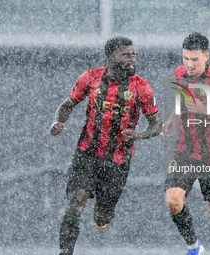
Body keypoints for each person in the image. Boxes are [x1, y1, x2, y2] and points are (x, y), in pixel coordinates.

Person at [50, 37, 162, 255]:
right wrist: (58, 122)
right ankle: (65, 251)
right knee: (76, 202)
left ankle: (103, 213)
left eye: (133, 55)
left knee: (103, 215)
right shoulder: (90, 78)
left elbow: (156, 123)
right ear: (111, 57)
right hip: (87, 153)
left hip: (118, 160)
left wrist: (139, 135)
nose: (132, 60)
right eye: (126, 55)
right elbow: (67, 105)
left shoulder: (141, 87)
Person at [161, 32, 210, 255]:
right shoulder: (180, 73)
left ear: (206, 56)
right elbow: (182, 99)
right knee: (172, 199)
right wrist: (171, 120)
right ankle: (194, 246)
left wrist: (206, 110)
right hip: (186, 151)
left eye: (194, 59)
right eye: (185, 58)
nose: (189, 64)